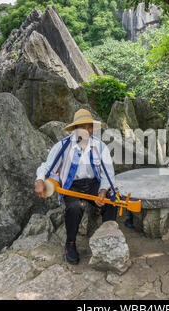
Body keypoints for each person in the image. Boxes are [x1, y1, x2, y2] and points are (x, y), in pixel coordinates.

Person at [34, 109, 117, 265]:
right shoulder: (63, 146)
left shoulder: (100, 146)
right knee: (74, 208)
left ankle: (108, 238)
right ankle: (70, 243)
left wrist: (103, 191)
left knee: (111, 202)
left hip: (93, 183)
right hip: (71, 185)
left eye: (90, 127)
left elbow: (108, 173)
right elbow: (47, 166)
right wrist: (39, 180)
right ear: (75, 129)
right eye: (83, 127)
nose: (87, 131)